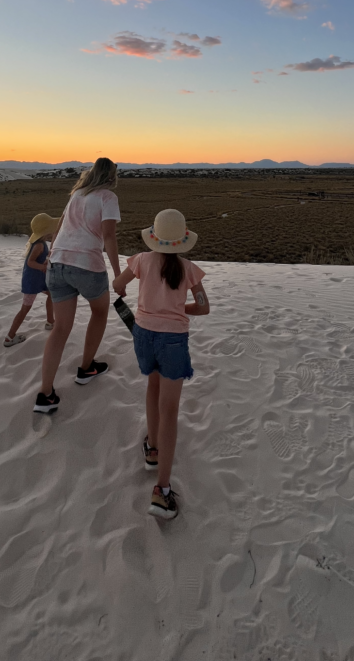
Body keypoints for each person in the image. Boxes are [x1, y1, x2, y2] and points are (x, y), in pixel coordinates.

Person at [113, 209, 209, 520]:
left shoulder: (141, 260)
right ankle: (162, 491)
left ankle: (152, 448)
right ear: (182, 241)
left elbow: (117, 284)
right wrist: (181, 308)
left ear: (154, 237)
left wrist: (127, 288)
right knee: (171, 408)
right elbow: (204, 307)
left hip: (143, 334)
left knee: (152, 387)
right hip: (173, 340)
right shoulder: (188, 269)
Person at [33, 158, 122, 414]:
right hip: (86, 264)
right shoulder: (107, 197)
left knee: (60, 329)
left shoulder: (77, 194)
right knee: (100, 311)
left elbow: (59, 225)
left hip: (57, 263)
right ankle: (86, 368)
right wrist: (117, 273)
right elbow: (108, 236)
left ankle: (45, 394)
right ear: (111, 176)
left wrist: (51, 255)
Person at [4, 213, 61, 347]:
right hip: (32, 281)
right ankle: (9, 337)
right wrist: (42, 266)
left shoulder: (40, 243)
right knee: (25, 309)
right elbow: (30, 262)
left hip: (38, 279)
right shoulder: (39, 245)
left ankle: (50, 321)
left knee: (51, 294)